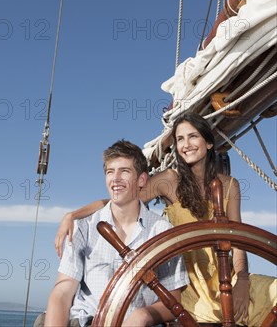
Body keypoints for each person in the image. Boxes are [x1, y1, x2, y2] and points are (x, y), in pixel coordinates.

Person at [55, 113, 277, 326]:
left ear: (208, 143)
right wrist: (73, 215)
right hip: (184, 284)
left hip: (226, 278)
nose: (186, 144)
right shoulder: (169, 180)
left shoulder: (230, 185)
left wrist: (243, 282)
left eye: (192, 136)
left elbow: (238, 241)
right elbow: (123, 198)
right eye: (180, 139)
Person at [37, 140, 188, 327]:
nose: (115, 179)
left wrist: (142, 316)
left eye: (124, 171)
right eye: (110, 172)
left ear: (141, 180)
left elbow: (172, 301)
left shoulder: (163, 232)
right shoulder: (83, 227)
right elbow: (62, 293)